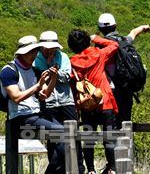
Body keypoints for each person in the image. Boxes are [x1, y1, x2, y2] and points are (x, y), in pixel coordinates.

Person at [1, 35, 65, 174]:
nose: (34, 55)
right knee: (63, 132)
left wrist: (53, 78)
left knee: (66, 133)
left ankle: (54, 170)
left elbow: (45, 94)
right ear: (22, 53)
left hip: (37, 114)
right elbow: (16, 97)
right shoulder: (9, 71)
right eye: (31, 52)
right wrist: (37, 86)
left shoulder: (35, 70)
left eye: (35, 51)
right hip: (20, 117)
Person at [68, 29, 119, 174]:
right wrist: (96, 38)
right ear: (87, 41)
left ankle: (91, 170)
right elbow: (114, 45)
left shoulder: (72, 62)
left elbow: (73, 86)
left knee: (88, 140)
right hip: (104, 102)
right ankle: (113, 169)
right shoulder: (99, 54)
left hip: (86, 105)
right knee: (109, 139)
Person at [33, 31, 84, 173]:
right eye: (47, 48)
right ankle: (56, 168)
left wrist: (54, 71)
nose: (50, 50)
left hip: (66, 101)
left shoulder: (63, 57)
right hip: (48, 103)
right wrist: (50, 70)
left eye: (52, 47)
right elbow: (39, 79)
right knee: (54, 137)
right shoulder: (36, 59)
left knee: (74, 134)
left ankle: (79, 167)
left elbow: (67, 76)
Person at [97, 13, 150, 128]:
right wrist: (144, 27)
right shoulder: (124, 41)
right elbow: (134, 33)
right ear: (116, 25)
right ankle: (126, 145)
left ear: (100, 28)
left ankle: (115, 145)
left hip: (111, 91)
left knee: (112, 126)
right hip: (127, 88)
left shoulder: (100, 45)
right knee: (125, 124)